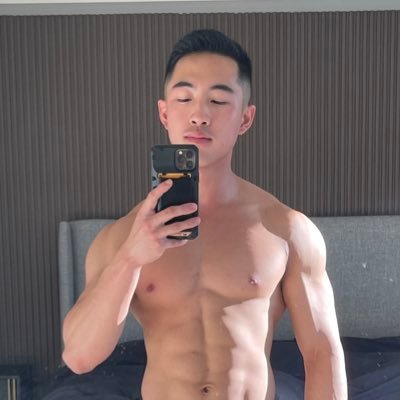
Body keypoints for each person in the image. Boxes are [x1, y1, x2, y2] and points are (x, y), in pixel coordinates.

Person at [62, 29, 348, 400]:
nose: (199, 115)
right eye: (184, 98)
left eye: (217, 100)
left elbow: (322, 354)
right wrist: (130, 259)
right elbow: (79, 357)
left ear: (245, 119)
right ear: (164, 112)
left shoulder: (286, 230)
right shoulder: (121, 238)